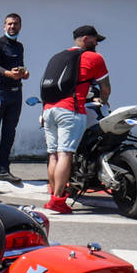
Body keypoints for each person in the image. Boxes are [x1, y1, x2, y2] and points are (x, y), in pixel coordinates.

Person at [42, 25, 110, 214]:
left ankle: (54, 196)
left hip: (49, 109)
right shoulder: (94, 58)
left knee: (53, 155)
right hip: (70, 110)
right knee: (65, 154)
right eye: (96, 39)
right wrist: (104, 101)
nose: (97, 43)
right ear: (86, 38)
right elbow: (105, 87)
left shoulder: (57, 56)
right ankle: (58, 200)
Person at [0, 13, 29, 184]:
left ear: (20, 26)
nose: (13, 27)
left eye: (16, 24)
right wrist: (8, 74)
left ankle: (3, 170)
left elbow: (20, 68)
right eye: (10, 24)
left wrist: (24, 73)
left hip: (15, 93)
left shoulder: (19, 46)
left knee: (9, 133)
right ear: (4, 26)